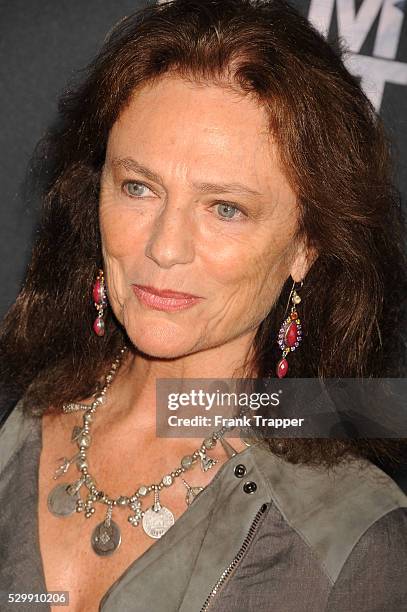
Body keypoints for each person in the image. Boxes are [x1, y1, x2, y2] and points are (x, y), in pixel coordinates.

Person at [0, 0, 407, 610]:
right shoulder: (18, 411)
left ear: (306, 245)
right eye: (139, 188)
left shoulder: (352, 539)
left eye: (225, 208)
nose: (164, 248)